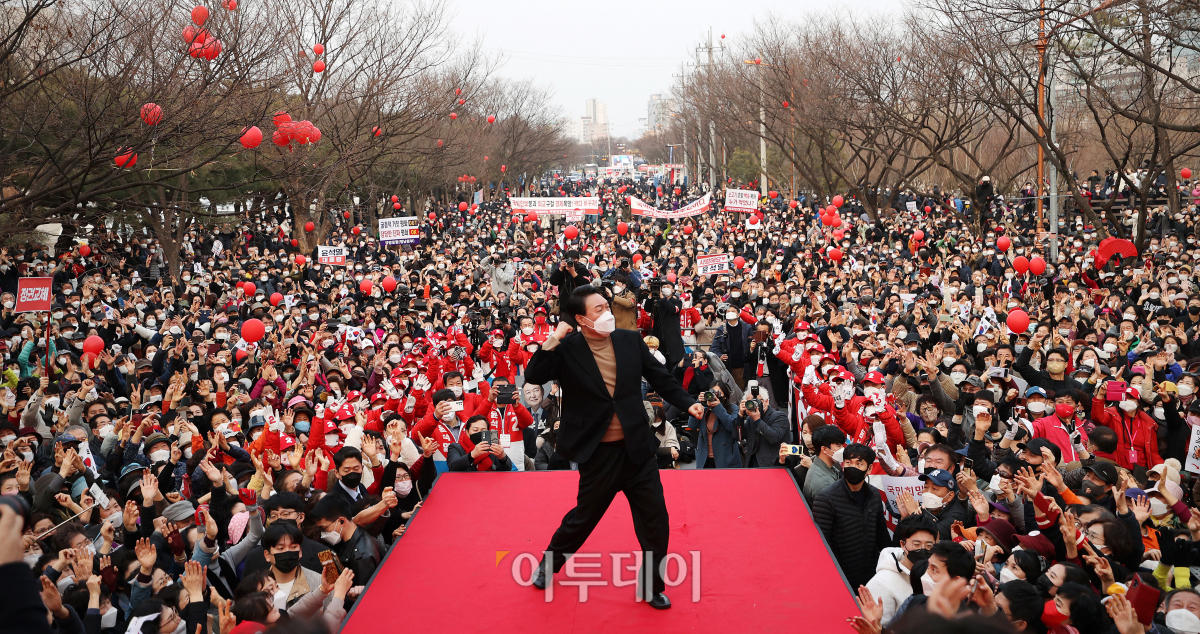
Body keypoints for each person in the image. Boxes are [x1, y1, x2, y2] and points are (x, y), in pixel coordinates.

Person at [524, 285, 704, 609]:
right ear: (580, 318)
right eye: (597, 309)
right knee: (583, 519)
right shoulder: (567, 349)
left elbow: (661, 378)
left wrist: (687, 402)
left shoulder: (629, 339)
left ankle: (652, 587)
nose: (606, 312)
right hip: (598, 453)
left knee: (655, 522)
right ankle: (548, 565)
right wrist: (556, 336)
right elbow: (534, 373)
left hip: (637, 450)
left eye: (606, 305)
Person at [811, 443, 889, 591]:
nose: (853, 467)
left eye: (859, 464)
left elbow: (882, 536)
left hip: (871, 576)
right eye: (848, 462)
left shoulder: (874, 494)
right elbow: (822, 545)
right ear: (843, 465)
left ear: (869, 468)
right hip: (841, 578)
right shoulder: (826, 498)